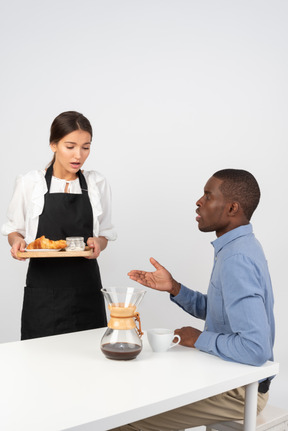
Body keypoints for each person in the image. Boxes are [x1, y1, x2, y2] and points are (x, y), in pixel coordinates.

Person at [111, 169, 275, 431]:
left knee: (124, 422)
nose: (199, 202)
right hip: (227, 376)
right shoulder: (236, 247)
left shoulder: (236, 259)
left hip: (241, 392)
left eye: (208, 196)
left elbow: (256, 349)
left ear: (232, 208)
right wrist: (174, 288)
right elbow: (222, 313)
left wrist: (198, 339)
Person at [2, 111, 117, 340]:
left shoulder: (96, 184)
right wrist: (17, 243)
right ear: (54, 145)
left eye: (86, 147)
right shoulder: (30, 183)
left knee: (89, 360)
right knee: (41, 362)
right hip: (43, 293)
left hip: (87, 290)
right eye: (70, 146)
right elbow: (14, 230)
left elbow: (105, 233)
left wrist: (98, 243)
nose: (79, 155)